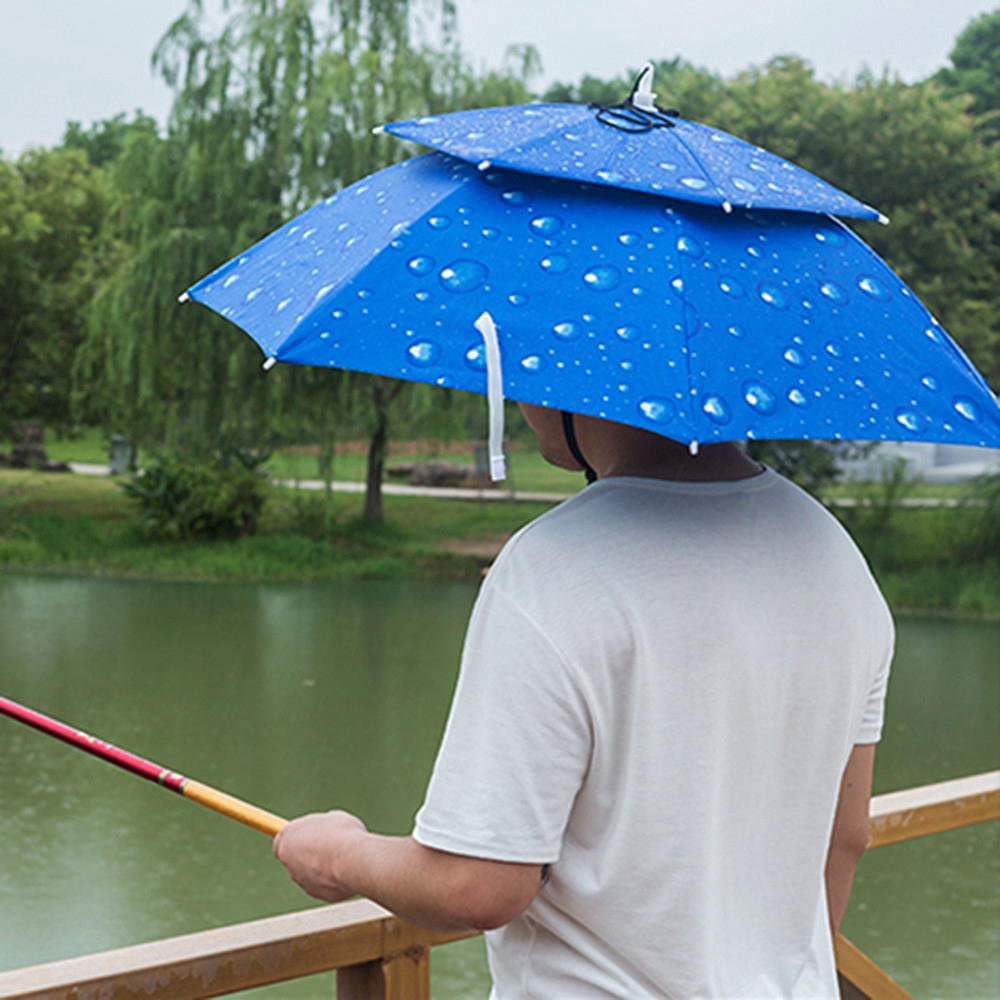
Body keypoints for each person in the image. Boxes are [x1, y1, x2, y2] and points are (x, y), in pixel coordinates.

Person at [274, 404, 894, 999]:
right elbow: (847, 836)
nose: (517, 394)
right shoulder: (836, 554)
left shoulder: (554, 567)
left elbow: (477, 885)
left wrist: (338, 854)